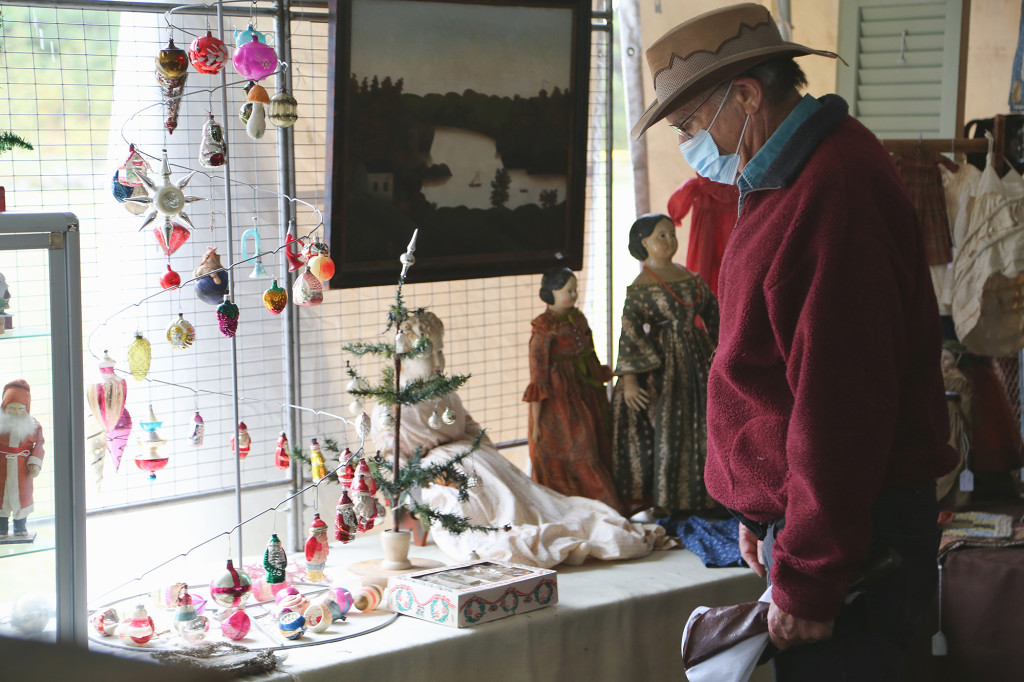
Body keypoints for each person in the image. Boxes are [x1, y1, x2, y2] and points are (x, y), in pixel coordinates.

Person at [631, 4, 957, 679]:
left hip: (859, 532)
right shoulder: (792, 176)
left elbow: (838, 408)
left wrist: (810, 574)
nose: (693, 143)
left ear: (747, 96)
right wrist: (757, 510)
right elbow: (778, 372)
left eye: (694, 124)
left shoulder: (831, 192)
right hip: (825, 523)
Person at [370, 310, 669, 569]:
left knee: (534, 502)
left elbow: (470, 429)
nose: (439, 360)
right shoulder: (393, 408)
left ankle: (563, 529)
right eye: (429, 352)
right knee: (473, 515)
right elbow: (396, 464)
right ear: (404, 356)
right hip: (442, 478)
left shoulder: (444, 392)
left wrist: (492, 459)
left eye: (441, 350)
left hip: (479, 464)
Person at [611, 213, 718, 517]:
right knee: (671, 426)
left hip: (699, 356)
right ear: (644, 242)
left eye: (672, 234)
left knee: (706, 424)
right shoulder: (641, 286)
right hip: (665, 367)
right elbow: (629, 332)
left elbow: (712, 311)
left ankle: (711, 495)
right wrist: (630, 380)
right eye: (662, 235)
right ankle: (672, 500)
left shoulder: (688, 275)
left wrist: (724, 347)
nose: (670, 240)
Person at [523, 267, 619, 509]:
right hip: (559, 401)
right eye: (568, 290)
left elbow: (591, 353)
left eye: (575, 289)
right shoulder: (544, 329)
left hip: (586, 393)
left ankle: (603, 505)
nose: (574, 295)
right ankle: (579, 506)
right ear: (550, 293)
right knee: (580, 448)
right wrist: (536, 421)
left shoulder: (578, 317)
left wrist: (601, 375)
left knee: (595, 443)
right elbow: (538, 376)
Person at [0, 379, 45, 540]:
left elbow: (39, 445)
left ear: (27, 409)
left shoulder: (34, 426)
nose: (16, 412)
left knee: (23, 496)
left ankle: (20, 525)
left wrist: (35, 463)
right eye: (11, 408)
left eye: (20, 408)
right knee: (0, 499)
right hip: (1, 470)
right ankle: (1, 527)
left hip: (22, 470)